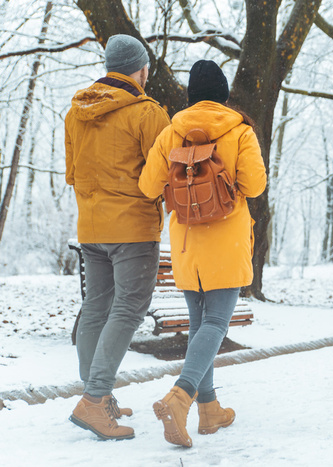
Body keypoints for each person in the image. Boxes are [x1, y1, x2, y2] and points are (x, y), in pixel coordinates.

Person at [139, 60, 266, 448]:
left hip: (187, 243)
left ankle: (209, 410)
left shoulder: (171, 133)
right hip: (226, 241)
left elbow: (148, 186)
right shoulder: (240, 130)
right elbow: (255, 185)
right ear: (224, 94)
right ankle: (181, 397)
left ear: (191, 95)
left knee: (200, 326)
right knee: (216, 324)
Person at [64, 34, 170, 440]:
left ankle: (97, 395)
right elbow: (159, 175)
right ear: (140, 69)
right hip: (133, 228)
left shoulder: (77, 112)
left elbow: (72, 173)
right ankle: (94, 401)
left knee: (96, 307)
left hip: (91, 227)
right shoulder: (147, 112)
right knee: (128, 308)